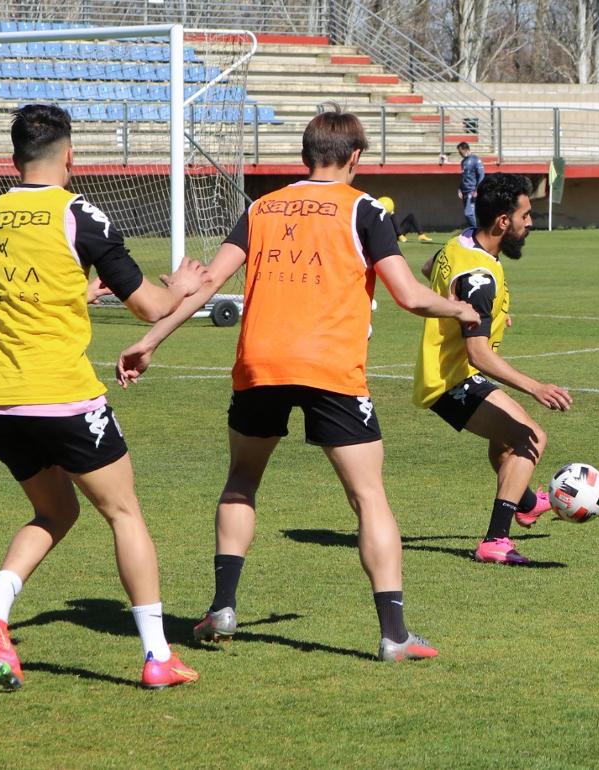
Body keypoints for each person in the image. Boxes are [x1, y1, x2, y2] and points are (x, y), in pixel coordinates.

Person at [115, 105, 481, 661]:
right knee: (368, 497)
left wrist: (151, 339)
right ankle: (393, 635)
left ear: (305, 157)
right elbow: (409, 295)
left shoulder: (262, 207)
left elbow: (209, 280)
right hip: (330, 367)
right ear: (355, 157)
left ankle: (224, 607)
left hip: (260, 363)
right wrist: (456, 309)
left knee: (242, 479)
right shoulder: (365, 210)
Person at [0, 104, 209, 690]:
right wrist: (182, 286)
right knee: (124, 513)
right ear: (69, 154)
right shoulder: (79, 213)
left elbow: (23, 290)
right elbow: (150, 305)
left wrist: (80, 288)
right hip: (62, 396)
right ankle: (157, 657)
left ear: (13, 157)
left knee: (55, 510)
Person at [414, 174, 571, 564]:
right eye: (526, 215)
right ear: (503, 222)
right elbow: (479, 355)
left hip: (447, 373)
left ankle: (528, 503)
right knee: (531, 438)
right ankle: (495, 541)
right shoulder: (480, 278)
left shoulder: (459, 241)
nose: (530, 223)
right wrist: (534, 386)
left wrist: (491, 315)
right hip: (452, 381)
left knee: (505, 441)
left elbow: (427, 267)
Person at [457, 141, 485, 229]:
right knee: (468, 215)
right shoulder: (463, 162)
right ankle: (475, 233)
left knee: (468, 213)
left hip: (471, 191)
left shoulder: (475, 159)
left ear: (465, 149)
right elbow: (463, 177)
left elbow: (481, 175)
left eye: (460, 151)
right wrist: (459, 189)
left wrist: (477, 190)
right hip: (464, 191)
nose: (459, 153)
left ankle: (477, 231)